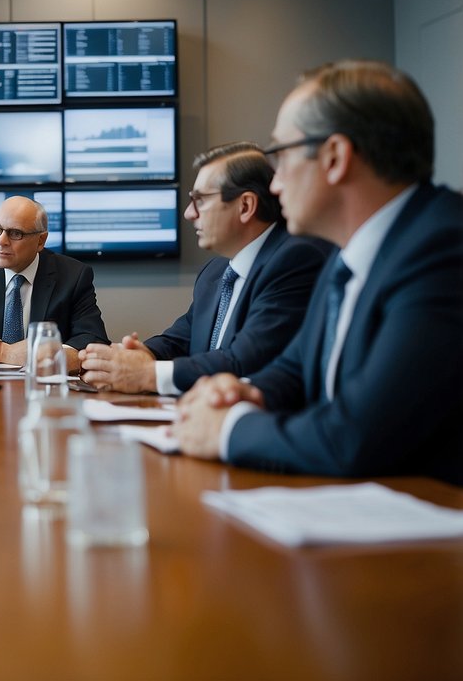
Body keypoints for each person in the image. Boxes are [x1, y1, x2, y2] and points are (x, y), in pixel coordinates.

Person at [174, 60, 463, 485]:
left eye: (282, 156)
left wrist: (229, 430)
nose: (274, 185)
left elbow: (354, 436)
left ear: (334, 158)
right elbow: (294, 368)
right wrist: (248, 392)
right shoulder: (346, 255)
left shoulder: (441, 251)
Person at [80, 143, 330, 394]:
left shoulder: (296, 259)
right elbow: (181, 339)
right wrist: (141, 353)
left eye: (200, 200)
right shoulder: (216, 270)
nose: (189, 213)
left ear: (245, 206)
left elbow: (244, 361)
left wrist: (147, 374)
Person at [0, 196, 109, 370]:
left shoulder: (73, 276)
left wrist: (54, 356)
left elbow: (94, 340)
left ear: (41, 241)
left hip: (46, 387)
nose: (1, 241)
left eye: (16, 233)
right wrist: (2, 352)